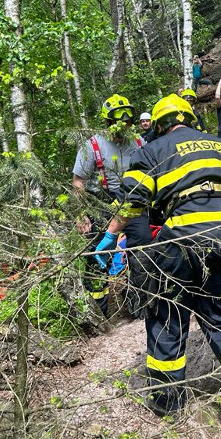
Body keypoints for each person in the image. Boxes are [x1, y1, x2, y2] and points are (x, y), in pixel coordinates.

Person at [97, 93, 221, 433]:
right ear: (190, 120)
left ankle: (168, 403)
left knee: (167, 314)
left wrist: (109, 237)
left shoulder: (152, 151)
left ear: (161, 125)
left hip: (183, 239)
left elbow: (133, 202)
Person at [73, 94, 150, 316]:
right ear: (108, 121)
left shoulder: (138, 142)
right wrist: (81, 214)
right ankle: (100, 311)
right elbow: (78, 182)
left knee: (142, 248)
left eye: (128, 121)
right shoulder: (93, 146)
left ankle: (140, 303)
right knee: (97, 257)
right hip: (101, 203)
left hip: (134, 203)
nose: (124, 126)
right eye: (119, 121)